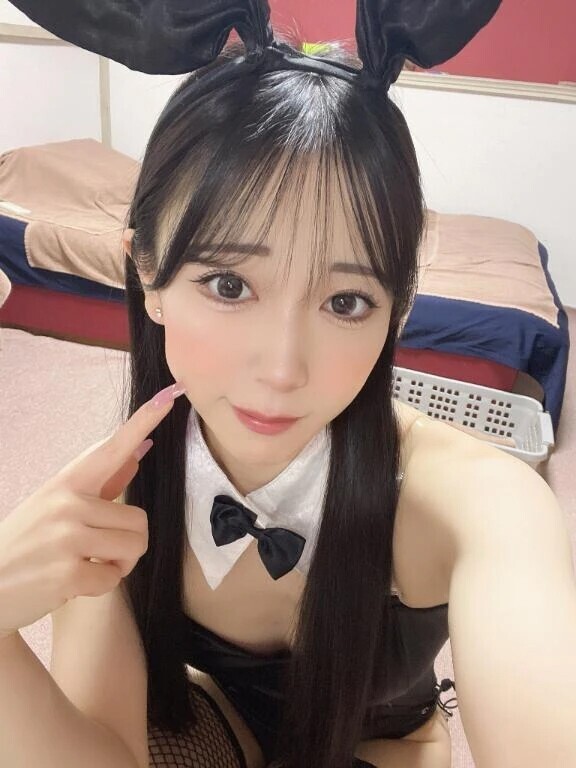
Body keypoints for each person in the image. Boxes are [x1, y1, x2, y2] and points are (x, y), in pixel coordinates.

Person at [2, 1, 576, 768]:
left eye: (346, 302)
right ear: (148, 274)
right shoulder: (115, 492)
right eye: (229, 285)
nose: (281, 371)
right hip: (216, 720)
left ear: (400, 308)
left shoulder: (474, 501)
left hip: (381, 748)